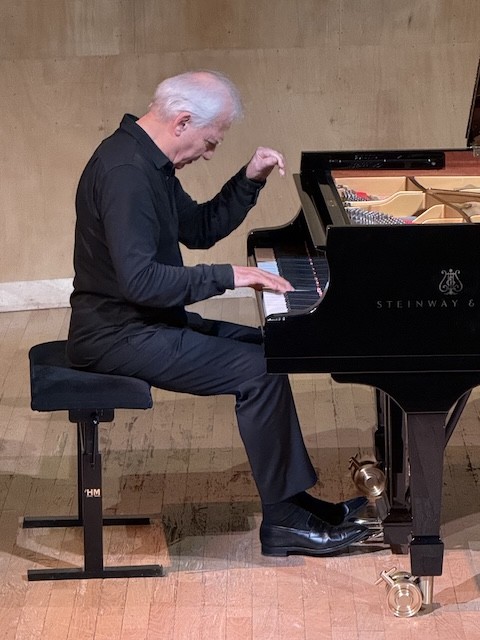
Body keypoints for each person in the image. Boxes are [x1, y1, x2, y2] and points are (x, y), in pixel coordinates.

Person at [66, 70, 369, 557]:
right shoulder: (126, 174)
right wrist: (230, 275)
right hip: (117, 336)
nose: (208, 153)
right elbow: (141, 282)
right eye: (210, 141)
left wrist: (249, 180)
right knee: (258, 372)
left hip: (144, 323)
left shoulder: (147, 161)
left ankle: (291, 504)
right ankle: (284, 523)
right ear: (183, 121)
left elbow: (199, 228)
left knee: (270, 349)